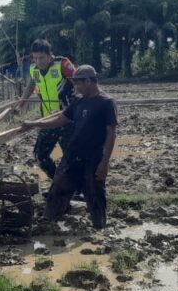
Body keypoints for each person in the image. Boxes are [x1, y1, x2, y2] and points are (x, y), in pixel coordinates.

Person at [21, 65, 116, 229]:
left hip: (93, 157)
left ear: (88, 81)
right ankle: (49, 222)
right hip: (72, 155)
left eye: (78, 83)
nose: (75, 87)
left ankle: (99, 227)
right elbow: (60, 120)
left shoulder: (106, 102)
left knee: (95, 193)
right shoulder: (78, 101)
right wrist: (35, 124)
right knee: (58, 187)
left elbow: (111, 133)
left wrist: (105, 162)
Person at [12, 39, 76, 179]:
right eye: (35, 58)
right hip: (47, 120)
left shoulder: (63, 64)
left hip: (67, 119)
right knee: (41, 155)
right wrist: (21, 104)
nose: (38, 61)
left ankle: (76, 190)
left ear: (49, 55)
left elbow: (79, 85)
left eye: (41, 58)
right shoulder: (34, 69)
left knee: (71, 157)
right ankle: (58, 184)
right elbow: (31, 85)